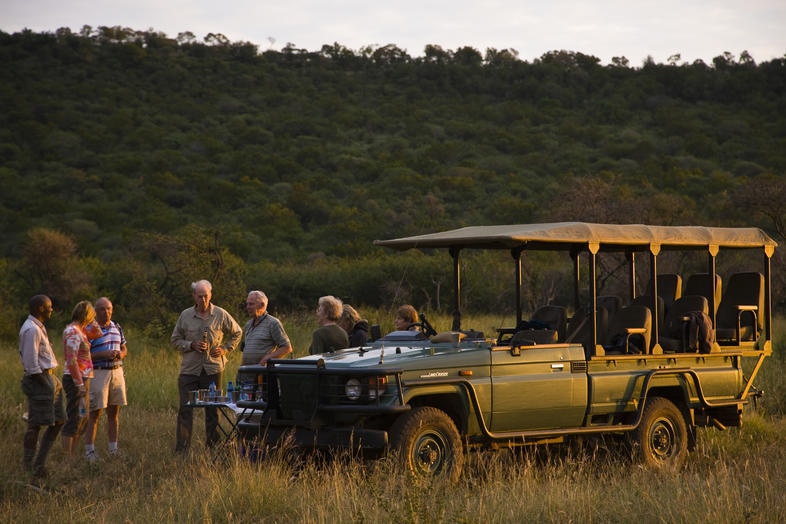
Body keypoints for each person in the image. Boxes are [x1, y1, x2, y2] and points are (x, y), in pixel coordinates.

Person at [170, 279, 242, 452]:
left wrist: (225, 349)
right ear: (194, 296)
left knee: (213, 409)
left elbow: (237, 332)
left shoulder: (220, 314)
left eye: (205, 296)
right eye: (199, 296)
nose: (203, 300)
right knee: (185, 408)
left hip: (213, 369)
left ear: (210, 295)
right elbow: (175, 340)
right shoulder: (185, 315)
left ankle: (213, 446)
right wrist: (190, 345)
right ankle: (182, 448)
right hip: (189, 369)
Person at [19, 295, 65, 478]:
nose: (51, 309)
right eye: (49, 307)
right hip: (41, 379)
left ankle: (39, 463)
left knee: (59, 420)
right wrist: (44, 384)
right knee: (35, 424)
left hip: (50, 378)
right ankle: (29, 466)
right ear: (40, 308)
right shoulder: (32, 330)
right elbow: (31, 364)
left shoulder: (38, 327)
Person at [84, 297, 127, 461]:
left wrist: (121, 354)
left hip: (116, 371)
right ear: (95, 311)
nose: (106, 312)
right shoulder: (89, 329)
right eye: (102, 309)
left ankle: (113, 449)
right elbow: (83, 356)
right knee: (95, 412)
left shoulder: (117, 327)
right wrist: (103, 354)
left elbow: (124, 346)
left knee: (114, 412)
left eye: (108, 308)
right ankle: (90, 451)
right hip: (99, 372)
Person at [61, 300, 96, 457]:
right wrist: (79, 384)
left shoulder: (80, 330)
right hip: (76, 379)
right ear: (87, 315)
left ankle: (72, 455)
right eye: (91, 315)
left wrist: (90, 322)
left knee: (82, 417)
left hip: (83, 378)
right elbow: (71, 359)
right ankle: (67, 457)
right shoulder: (74, 331)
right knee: (74, 417)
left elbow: (98, 333)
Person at [237, 291, 292, 384]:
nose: (247, 307)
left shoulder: (273, 323)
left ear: (262, 305)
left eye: (251, 304)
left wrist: (268, 358)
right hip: (246, 375)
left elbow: (286, 348)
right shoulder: (248, 324)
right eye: (247, 304)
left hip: (263, 377)